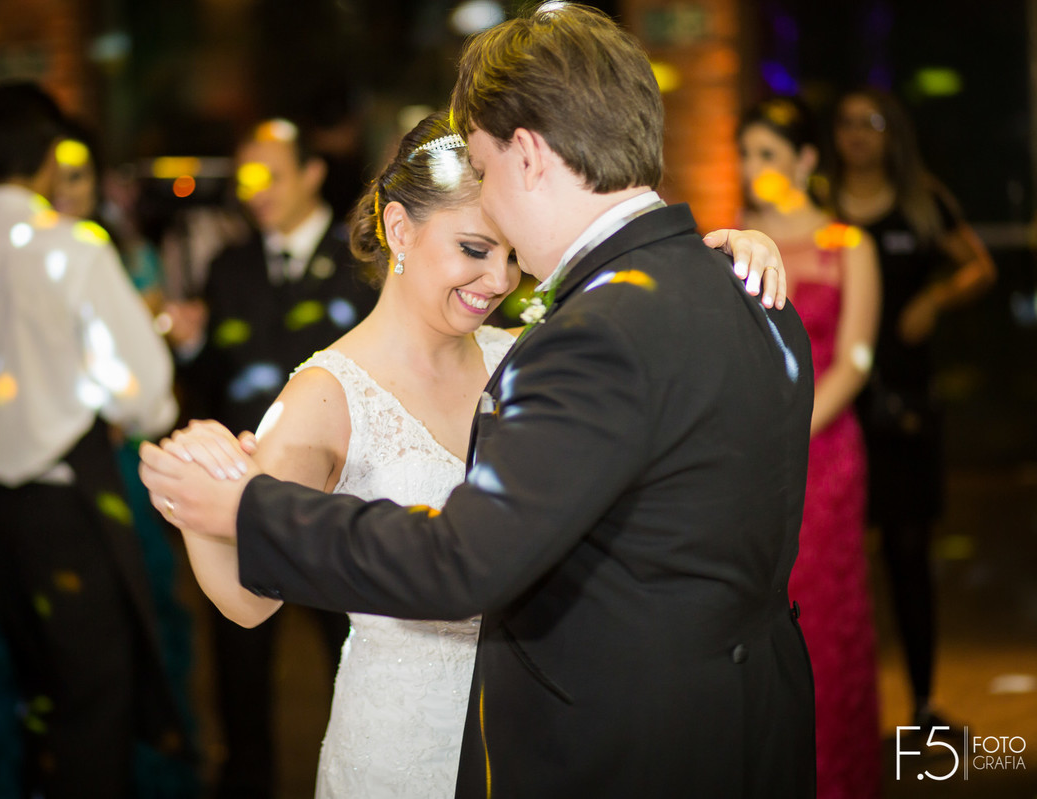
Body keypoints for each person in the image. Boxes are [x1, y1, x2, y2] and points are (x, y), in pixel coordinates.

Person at [141, 5, 816, 797]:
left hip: (586, 737)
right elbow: (249, 604)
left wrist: (247, 508)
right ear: (399, 230)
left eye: (501, 240)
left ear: (527, 155)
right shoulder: (331, 390)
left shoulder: (556, 344)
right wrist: (211, 502)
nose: (499, 278)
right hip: (427, 740)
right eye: (472, 245)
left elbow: (467, 557)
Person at [0, 81, 187, 798]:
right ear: (48, 160)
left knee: (34, 689)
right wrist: (127, 406)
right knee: (95, 697)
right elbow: (148, 384)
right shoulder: (73, 246)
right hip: (71, 507)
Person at [166, 117, 377, 799]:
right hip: (246, 501)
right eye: (247, 178)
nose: (256, 192)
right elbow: (211, 385)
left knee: (355, 656)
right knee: (239, 664)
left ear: (312, 173)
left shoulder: (362, 263)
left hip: (341, 500)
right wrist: (192, 349)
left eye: (272, 175)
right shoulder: (228, 266)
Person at [828, 88, 996, 734]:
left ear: (892, 133)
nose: (858, 135)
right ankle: (838, 705)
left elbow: (979, 266)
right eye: (846, 123)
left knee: (906, 553)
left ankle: (923, 705)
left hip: (905, 408)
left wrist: (935, 299)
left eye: (870, 123)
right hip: (837, 402)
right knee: (839, 555)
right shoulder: (821, 203)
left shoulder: (922, 199)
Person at [739, 96, 881, 799]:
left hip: (824, 451)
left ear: (806, 160)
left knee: (822, 607)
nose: (752, 167)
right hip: (747, 458)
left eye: (768, 153)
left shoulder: (847, 244)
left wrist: (792, 428)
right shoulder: (730, 243)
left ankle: (836, 774)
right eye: (746, 154)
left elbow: (854, 358)